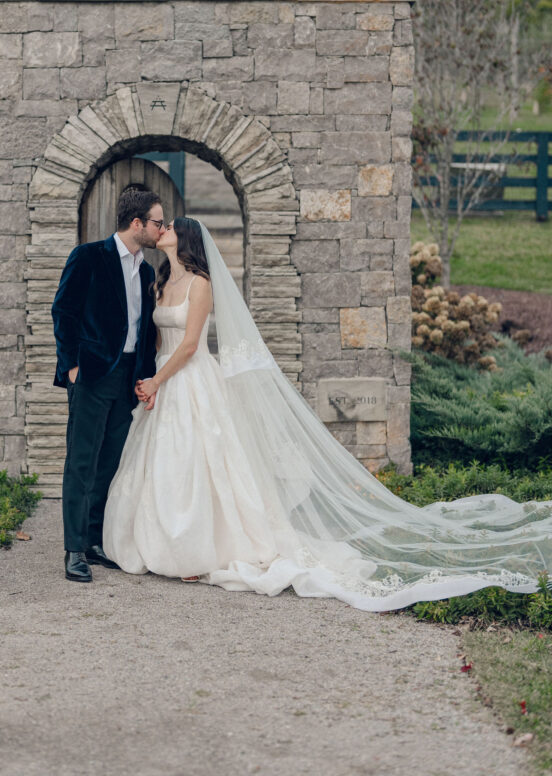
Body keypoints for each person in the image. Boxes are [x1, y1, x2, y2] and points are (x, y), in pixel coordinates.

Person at [103, 217, 552, 611]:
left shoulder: (201, 284)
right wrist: (150, 381)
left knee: (207, 464)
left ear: (186, 239)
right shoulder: (161, 281)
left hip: (191, 378)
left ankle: (201, 550)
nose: (162, 231)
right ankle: (161, 543)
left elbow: (189, 345)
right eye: (159, 226)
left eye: (170, 228)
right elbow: (158, 341)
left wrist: (158, 382)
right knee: (166, 465)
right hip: (162, 383)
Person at [52, 186, 162, 583]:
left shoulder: (146, 270)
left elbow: (144, 330)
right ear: (137, 224)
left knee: (109, 462)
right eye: (156, 222)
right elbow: (63, 311)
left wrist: (145, 375)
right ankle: (74, 550)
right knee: (81, 461)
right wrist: (71, 367)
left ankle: (96, 541)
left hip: (128, 378)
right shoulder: (89, 257)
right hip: (92, 374)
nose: (160, 228)